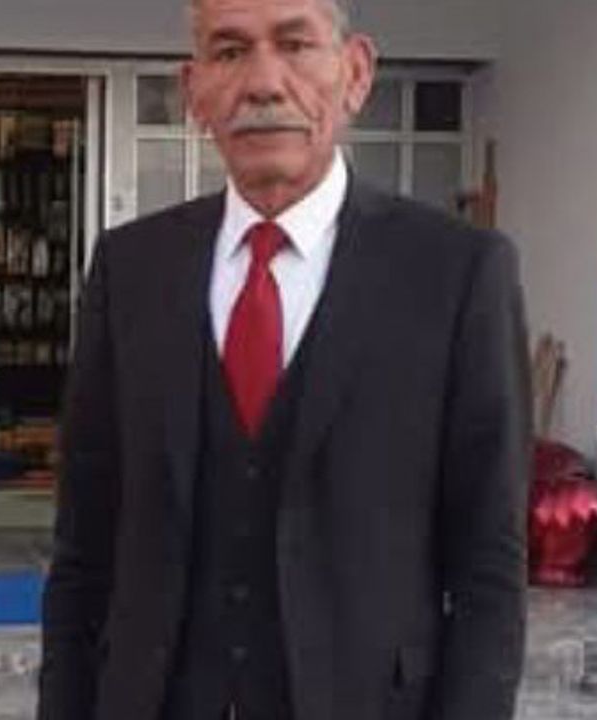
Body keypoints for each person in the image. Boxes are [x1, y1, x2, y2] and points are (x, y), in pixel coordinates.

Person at [39, 0, 531, 718]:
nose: (264, 83)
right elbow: (84, 550)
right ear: (194, 90)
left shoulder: (456, 274)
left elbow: (490, 564)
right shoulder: (131, 269)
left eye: (295, 45)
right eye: (230, 51)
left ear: (355, 73)